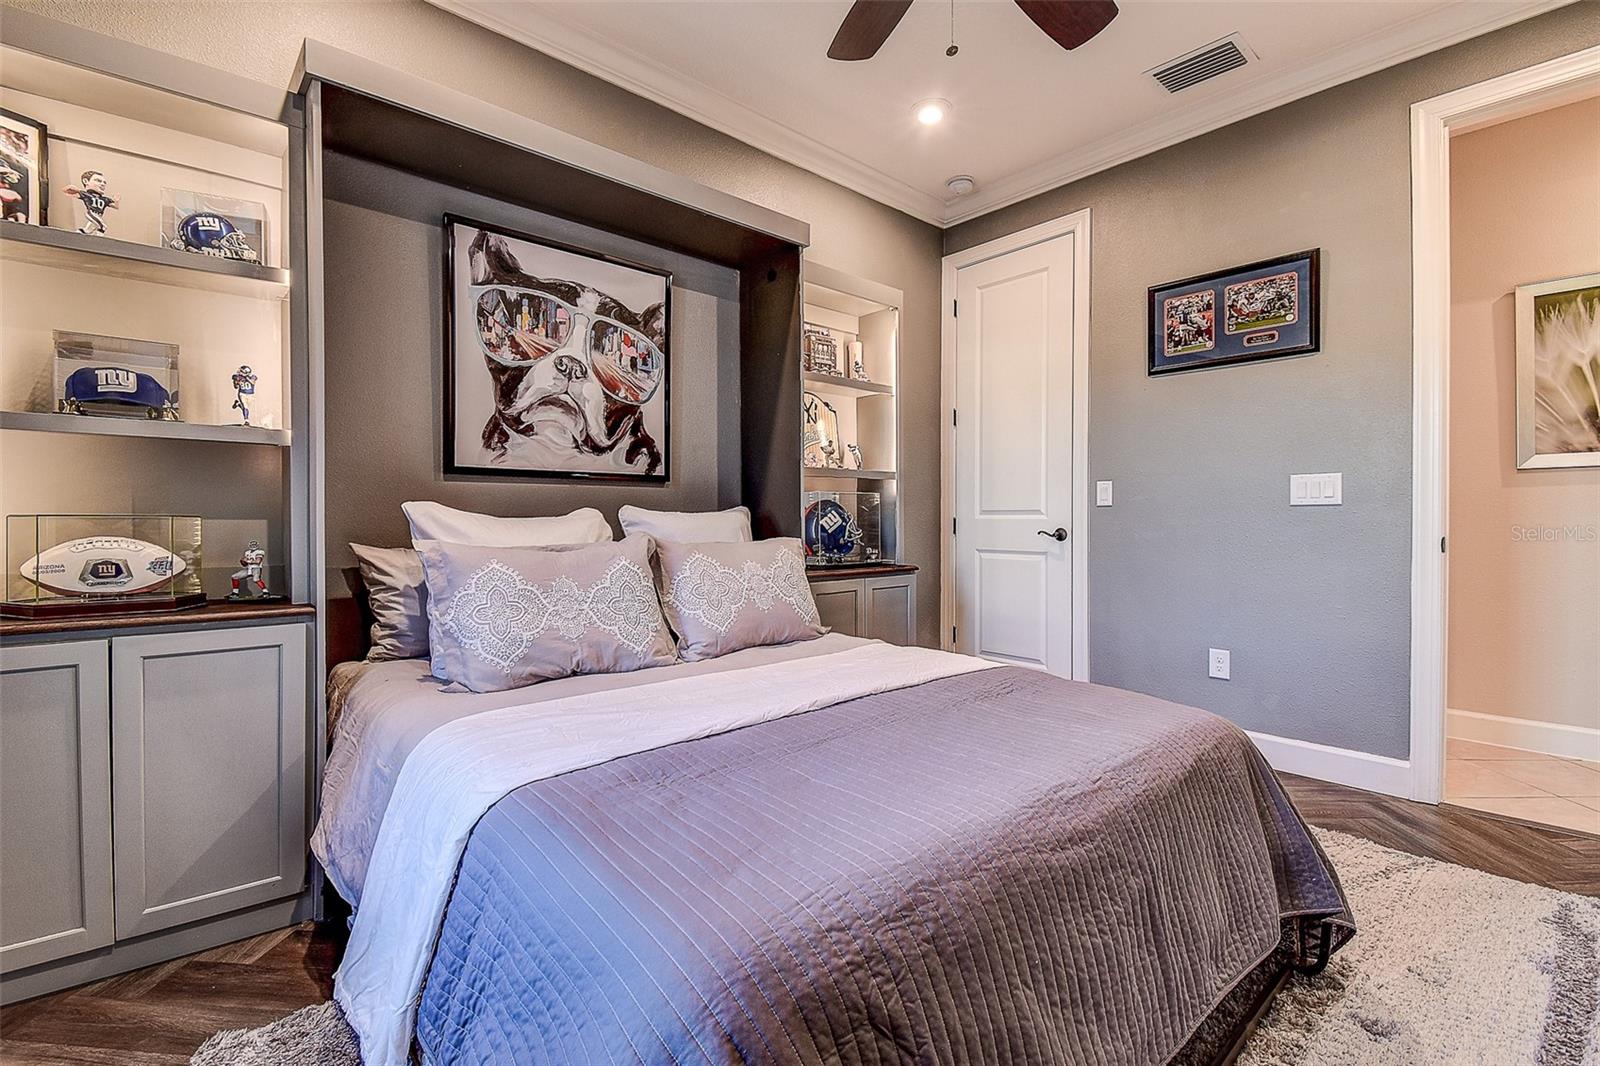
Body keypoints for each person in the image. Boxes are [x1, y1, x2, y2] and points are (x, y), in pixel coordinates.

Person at [64, 170, 118, 235]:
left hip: (99, 215)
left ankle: (80, 233)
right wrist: (73, 190)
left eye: (104, 182)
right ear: (86, 181)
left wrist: (116, 200)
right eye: (98, 181)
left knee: (87, 230)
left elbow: (115, 206)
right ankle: (100, 239)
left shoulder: (104, 199)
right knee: (102, 226)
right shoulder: (87, 195)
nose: (102, 184)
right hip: (92, 213)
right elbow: (72, 193)